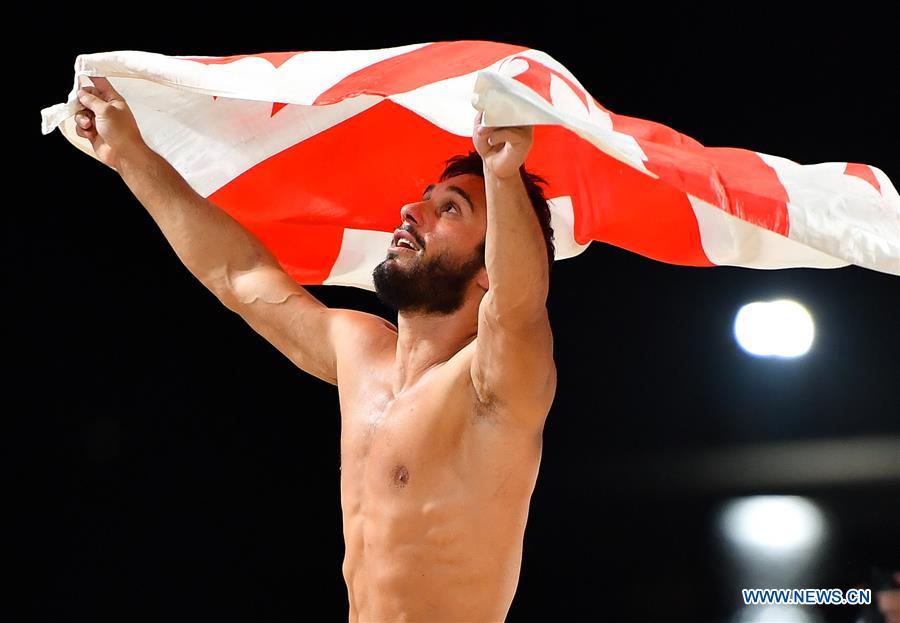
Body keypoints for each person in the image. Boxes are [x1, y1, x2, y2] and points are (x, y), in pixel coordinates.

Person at [74, 77, 557, 623]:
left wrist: (503, 172)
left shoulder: (495, 385)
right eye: (424, 200)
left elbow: (519, 305)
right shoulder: (362, 352)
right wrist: (130, 155)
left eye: (450, 210)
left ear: (492, 265)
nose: (409, 211)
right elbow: (240, 276)